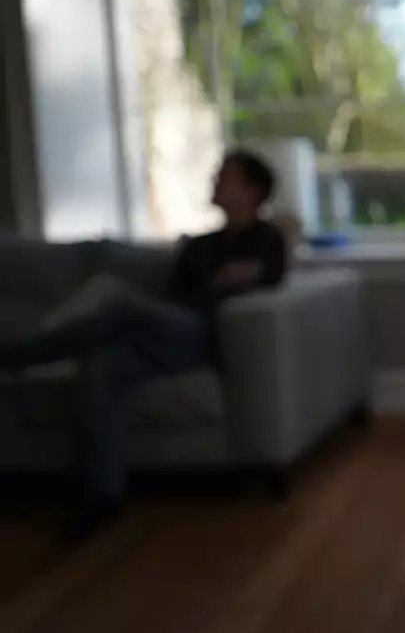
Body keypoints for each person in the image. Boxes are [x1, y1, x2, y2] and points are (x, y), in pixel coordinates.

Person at [0, 150, 289, 538]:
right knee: (99, 368)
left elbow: (269, 272)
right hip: (164, 334)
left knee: (115, 296)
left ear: (252, 191)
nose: (214, 182)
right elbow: (176, 296)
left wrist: (245, 275)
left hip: (201, 335)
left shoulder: (266, 239)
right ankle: (103, 497)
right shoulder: (200, 245)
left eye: (225, 177)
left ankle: (20, 356)